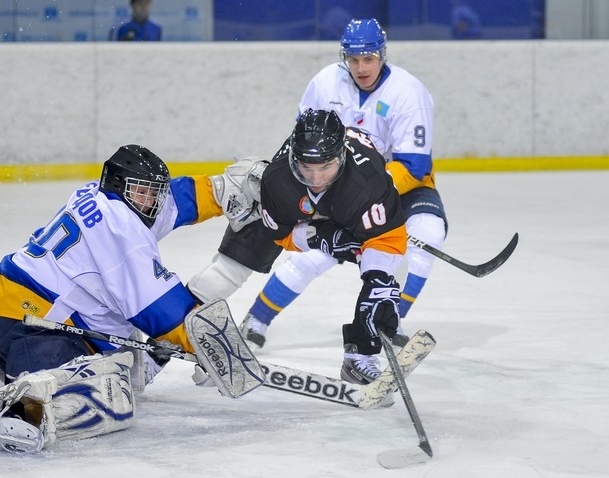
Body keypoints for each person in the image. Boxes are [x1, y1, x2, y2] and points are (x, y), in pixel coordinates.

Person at [0, 144, 265, 452]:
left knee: (120, 360)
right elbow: (162, 311)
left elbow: (173, 201)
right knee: (114, 390)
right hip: (41, 333)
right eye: (143, 192)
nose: (151, 201)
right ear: (119, 185)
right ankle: (26, 408)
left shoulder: (95, 194)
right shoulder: (123, 235)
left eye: (153, 192)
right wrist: (211, 349)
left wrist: (219, 190)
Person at [188, 18, 447, 355]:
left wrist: (367, 201)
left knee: (426, 235)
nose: (360, 67)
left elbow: (414, 166)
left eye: (368, 58)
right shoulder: (326, 83)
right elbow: (302, 142)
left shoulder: (408, 93)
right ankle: (258, 318)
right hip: (334, 185)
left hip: (402, 188)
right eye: (353, 59)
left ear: (382, 55)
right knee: (315, 251)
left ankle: (389, 323)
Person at [254, 108, 407, 384]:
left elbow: (388, 238)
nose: (316, 179)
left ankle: (359, 356)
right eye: (306, 167)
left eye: (325, 167)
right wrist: (317, 236)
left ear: (342, 157)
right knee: (306, 260)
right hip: (328, 210)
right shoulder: (276, 179)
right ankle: (256, 316)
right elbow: (279, 235)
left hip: (356, 204)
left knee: (382, 285)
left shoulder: (368, 179)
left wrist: (379, 281)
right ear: (294, 159)